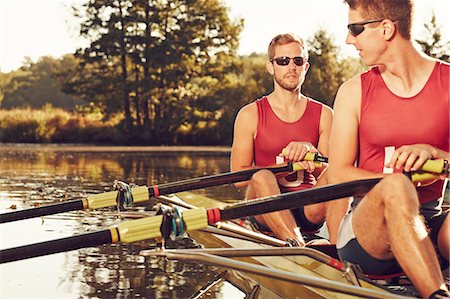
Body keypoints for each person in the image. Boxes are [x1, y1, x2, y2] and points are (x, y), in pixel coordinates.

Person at [326, 0, 449, 298]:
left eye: (355, 29)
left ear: (386, 29)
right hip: (368, 237)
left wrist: (439, 157)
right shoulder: (353, 91)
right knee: (395, 186)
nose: (348, 40)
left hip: (431, 226)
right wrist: (398, 186)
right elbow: (338, 173)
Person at [230, 33, 333, 247]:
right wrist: (280, 168)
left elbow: (330, 174)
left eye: (298, 60)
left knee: (336, 170)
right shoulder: (250, 114)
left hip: (309, 210)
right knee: (262, 177)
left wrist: (312, 154)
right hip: (264, 211)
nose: (291, 67)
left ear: (306, 66)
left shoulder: (325, 114)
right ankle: (299, 247)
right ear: (271, 67)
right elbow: (239, 178)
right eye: (283, 61)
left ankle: (339, 246)